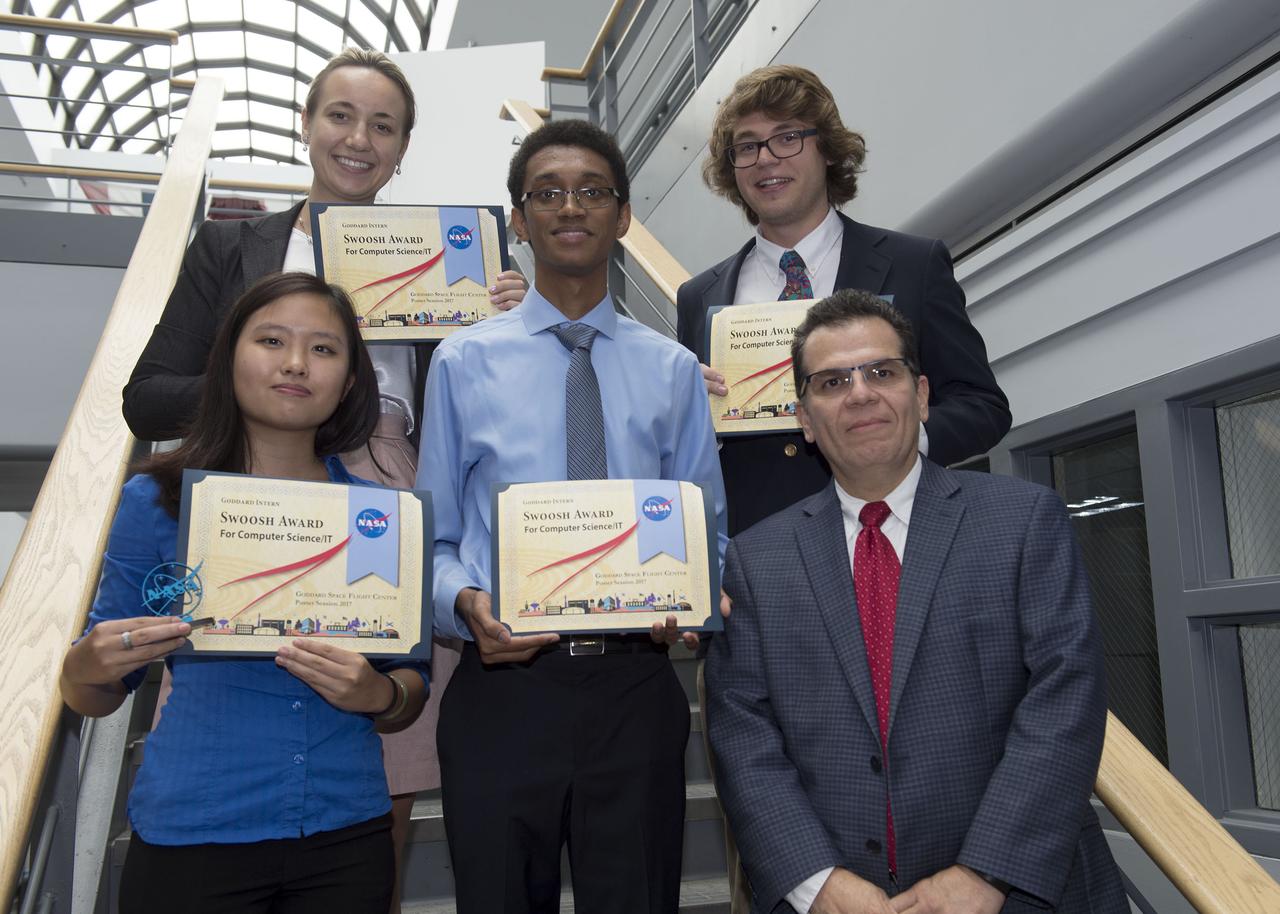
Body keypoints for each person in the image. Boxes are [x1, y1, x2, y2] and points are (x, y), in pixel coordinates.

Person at [121, 48, 524, 907]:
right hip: (252, 487)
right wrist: (275, 387)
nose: (358, 138)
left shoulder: (445, 254)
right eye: (340, 115)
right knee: (226, 693)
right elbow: (146, 398)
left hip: (387, 484)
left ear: (403, 149)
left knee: (387, 747)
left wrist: (499, 325)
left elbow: (483, 408)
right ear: (306, 127)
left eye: (383, 125)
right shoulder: (233, 245)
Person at [705, 290, 1127, 914]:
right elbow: (744, 737)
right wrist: (816, 882)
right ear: (805, 418)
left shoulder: (1023, 521)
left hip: (1018, 894)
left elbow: (1065, 700)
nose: (860, 394)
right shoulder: (754, 560)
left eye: (882, 371)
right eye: (831, 382)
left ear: (922, 395)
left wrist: (986, 873)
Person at [416, 118, 728, 913]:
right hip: (502, 687)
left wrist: (694, 605)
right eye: (546, 193)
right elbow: (435, 537)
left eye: (592, 191)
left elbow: (706, 528)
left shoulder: (672, 371)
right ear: (517, 221)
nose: (570, 207)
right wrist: (463, 603)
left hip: (635, 687)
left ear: (623, 215)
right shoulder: (462, 361)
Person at [61, 272, 429, 914]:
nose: (295, 363)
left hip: (346, 833)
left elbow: (407, 688)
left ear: (348, 382)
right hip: (193, 832)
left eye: (323, 349)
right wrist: (85, 666)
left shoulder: (384, 516)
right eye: (271, 340)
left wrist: (380, 694)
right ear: (228, 359)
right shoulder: (157, 501)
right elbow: (93, 694)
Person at [677, 64, 1011, 535]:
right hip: (761, 557)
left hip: (900, 534)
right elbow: (688, 451)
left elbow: (983, 407)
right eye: (747, 146)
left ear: (828, 150)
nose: (766, 159)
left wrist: (895, 438)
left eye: (787, 137)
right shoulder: (699, 297)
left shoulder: (914, 263)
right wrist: (692, 418)